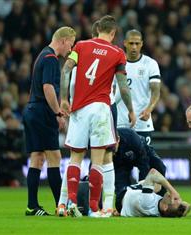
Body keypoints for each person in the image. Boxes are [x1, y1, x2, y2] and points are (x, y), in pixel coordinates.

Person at [60, 15, 136, 218]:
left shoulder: (81, 46)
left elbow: (66, 70)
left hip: (79, 109)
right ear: (113, 33)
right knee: (98, 161)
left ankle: (70, 204)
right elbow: (123, 87)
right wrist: (130, 109)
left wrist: (64, 99)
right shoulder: (118, 53)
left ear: (98, 29)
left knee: (75, 159)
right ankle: (95, 208)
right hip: (101, 109)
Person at [23, 26, 76, 216]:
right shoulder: (52, 59)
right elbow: (48, 88)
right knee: (55, 157)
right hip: (42, 112)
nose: (71, 49)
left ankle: (32, 206)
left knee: (37, 158)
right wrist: (57, 113)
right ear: (62, 41)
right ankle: (60, 205)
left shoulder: (42, 55)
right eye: (70, 44)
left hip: (31, 110)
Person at [115, 29, 161, 145]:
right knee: (120, 161)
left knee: (144, 160)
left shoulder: (150, 64)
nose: (134, 47)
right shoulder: (116, 64)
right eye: (131, 43)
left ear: (142, 44)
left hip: (142, 123)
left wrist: (149, 109)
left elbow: (156, 91)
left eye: (137, 44)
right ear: (125, 43)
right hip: (120, 122)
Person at [117, 168, 191, 217]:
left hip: (123, 194)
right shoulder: (161, 209)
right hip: (126, 207)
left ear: (165, 207)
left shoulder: (148, 203)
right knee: (158, 184)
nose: (174, 196)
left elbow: (153, 172)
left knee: (156, 180)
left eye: (174, 199)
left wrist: (172, 190)